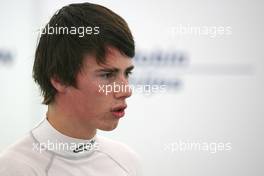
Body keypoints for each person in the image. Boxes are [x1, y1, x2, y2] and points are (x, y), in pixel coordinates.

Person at [0, 2, 142, 176]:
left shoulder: (126, 160)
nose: (126, 91)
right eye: (107, 75)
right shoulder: (17, 168)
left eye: (127, 73)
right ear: (59, 79)